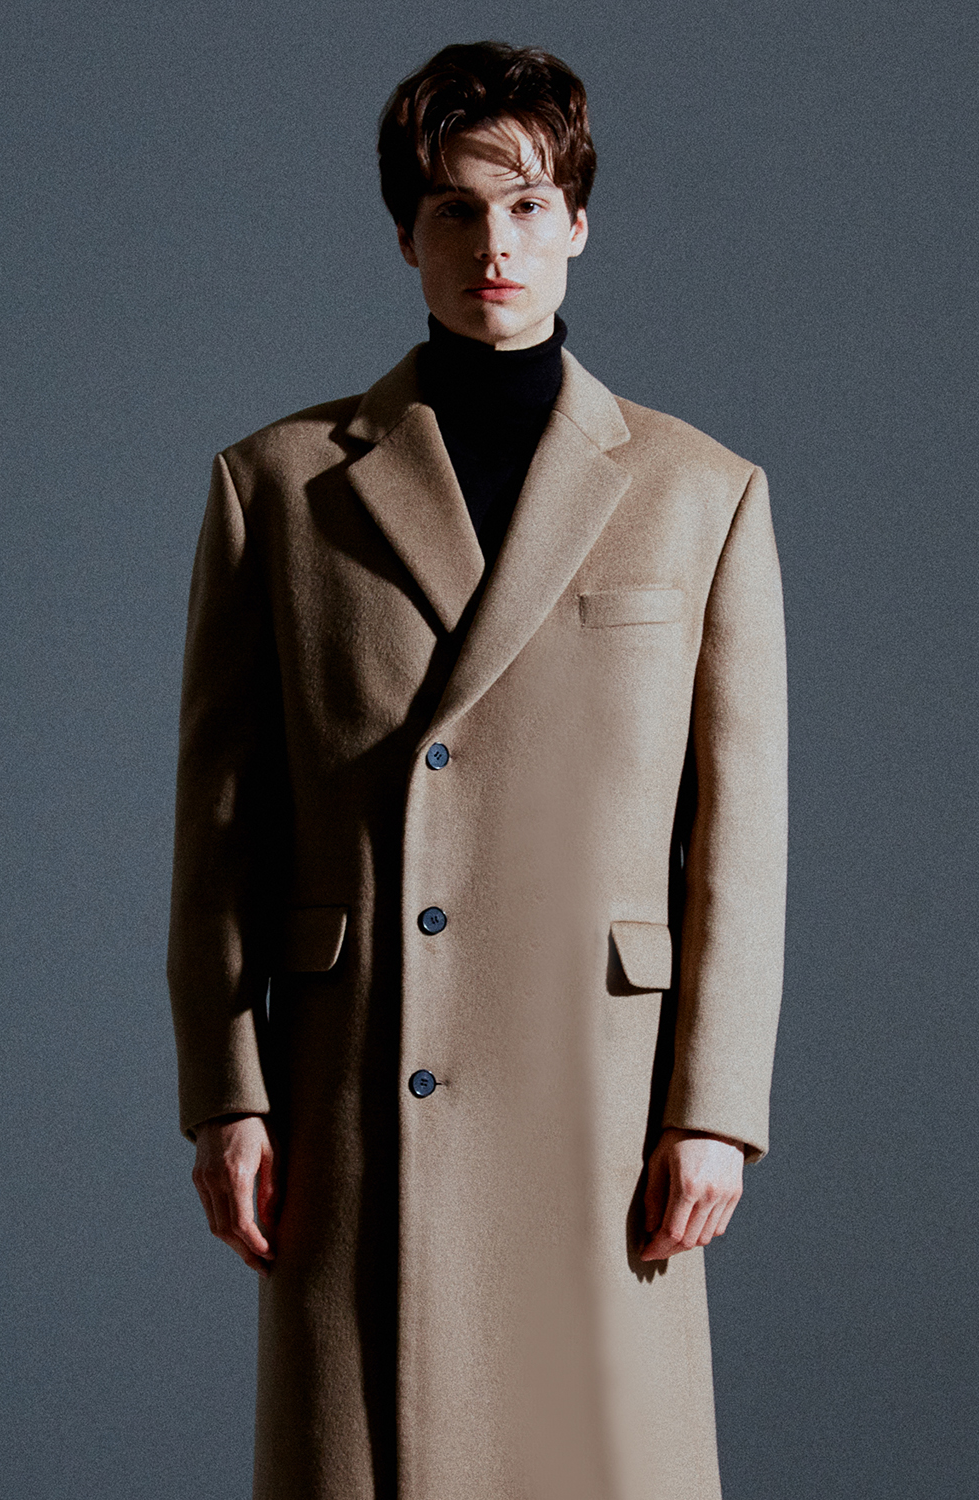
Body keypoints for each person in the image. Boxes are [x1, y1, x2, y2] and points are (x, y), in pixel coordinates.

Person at [168, 39, 787, 1500]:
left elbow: (738, 838)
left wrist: (714, 1110)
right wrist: (227, 1094)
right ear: (407, 235)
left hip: (600, 1099)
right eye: (454, 209)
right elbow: (220, 831)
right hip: (356, 1089)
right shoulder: (281, 485)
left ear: (578, 222)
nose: (491, 245)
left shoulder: (700, 492)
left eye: (524, 206)